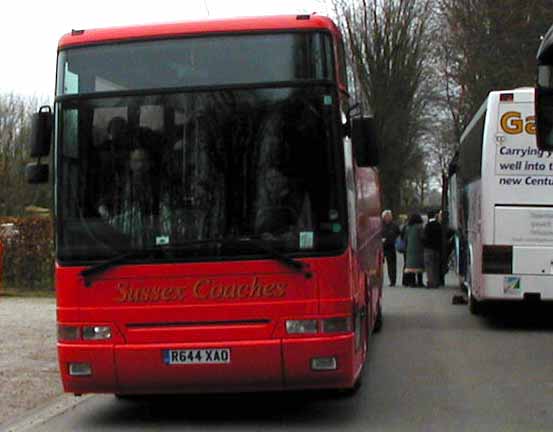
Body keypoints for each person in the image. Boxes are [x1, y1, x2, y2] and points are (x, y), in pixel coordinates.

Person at [404, 213, 425, 287]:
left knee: (411, 267)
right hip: (418, 249)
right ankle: (420, 282)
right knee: (419, 266)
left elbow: (405, 238)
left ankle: (412, 282)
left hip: (410, 249)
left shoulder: (408, 227)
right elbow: (422, 237)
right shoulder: (420, 227)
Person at [423, 210, 442, 288]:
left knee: (429, 267)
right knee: (436, 266)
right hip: (437, 249)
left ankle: (430, 282)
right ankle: (436, 281)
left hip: (428, 249)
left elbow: (424, 237)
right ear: (435, 216)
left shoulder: (427, 226)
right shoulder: (438, 225)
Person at [381, 210, 400, 286]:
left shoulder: (394, 225)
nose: (388, 217)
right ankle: (378, 281)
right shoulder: (380, 225)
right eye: (387, 216)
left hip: (390, 247)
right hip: (381, 247)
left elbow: (398, 234)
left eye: (389, 216)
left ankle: (393, 281)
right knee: (378, 266)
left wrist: (393, 239)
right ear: (383, 217)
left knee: (392, 265)